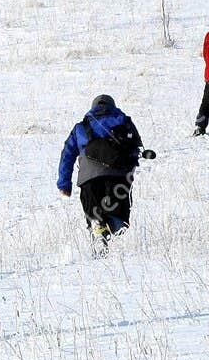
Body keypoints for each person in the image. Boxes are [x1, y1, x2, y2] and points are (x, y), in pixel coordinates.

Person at [56, 94, 150, 250]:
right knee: (120, 222)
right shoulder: (125, 122)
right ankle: (107, 231)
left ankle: (98, 229)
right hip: (119, 177)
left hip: (88, 178)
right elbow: (136, 147)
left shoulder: (81, 126)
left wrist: (64, 183)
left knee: (93, 214)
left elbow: (67, 155)